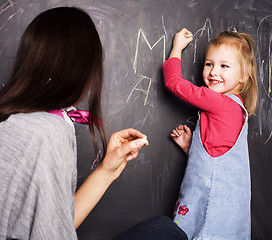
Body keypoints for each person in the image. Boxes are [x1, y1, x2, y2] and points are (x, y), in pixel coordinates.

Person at [0, 7, 150, 239]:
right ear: (84, 71)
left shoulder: (13, 120)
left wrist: (107, 170)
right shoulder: (48, 131)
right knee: (163, 230)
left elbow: (54, 223)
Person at [163, 28, 258, 239]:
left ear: (243, 75)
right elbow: (220, 161)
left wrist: (177, 47)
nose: (214, 72)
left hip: (211, 207)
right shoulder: (236, 109)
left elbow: (174, 83)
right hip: (226, 211)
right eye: (209, 64)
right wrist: (192, 147)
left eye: (224, 66)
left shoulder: (220, 103)